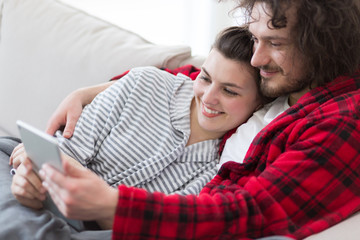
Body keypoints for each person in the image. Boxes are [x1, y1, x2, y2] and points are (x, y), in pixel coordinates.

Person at [30, 0, 360, 239]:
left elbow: (253, 211)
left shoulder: (342, 122)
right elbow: (199, 78)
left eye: (275, 43)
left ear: (322, 46)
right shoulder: (285, 81)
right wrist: (93, 91)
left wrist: (113, 205)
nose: (258, 58)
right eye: (256, 38)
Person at [1, 26, 264, 239]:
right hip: (42, 184)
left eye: (229, 91)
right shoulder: (146, 83)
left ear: (259, 103)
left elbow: (150, 227)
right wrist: (29, 176)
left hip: (92, 227)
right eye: (205, 78)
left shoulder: (223, 167)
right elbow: (66, 150)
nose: (208, 97)